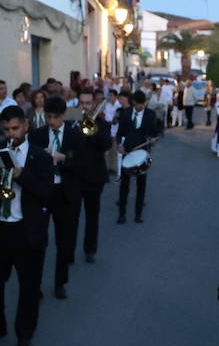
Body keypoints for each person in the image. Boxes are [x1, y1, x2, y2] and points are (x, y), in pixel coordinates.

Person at [0, 106, 55, 346]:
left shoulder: (40, 156)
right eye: (6, 129)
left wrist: (22, 175)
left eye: (15, 128)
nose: (10, 134)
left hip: (26, 230)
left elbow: (48, 195)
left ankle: (25, 333)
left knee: (29, 286)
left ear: (26, 126)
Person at [25, 96, 83, 299]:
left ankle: (60, 282)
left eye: (55, 117)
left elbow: (82, 166)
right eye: (48, 117)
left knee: (64, 242)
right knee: (38, 242)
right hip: (43, 192)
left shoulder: (75, 135)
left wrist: (63, 159)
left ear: (64, 116)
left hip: (64, 193)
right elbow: (29, 162)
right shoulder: (37, 135)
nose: (52, 121)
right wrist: (43, 157)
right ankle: (36, 284)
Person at [65, 89, 114, 264]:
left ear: (94, 104)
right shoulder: (71, 123)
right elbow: (66, 145)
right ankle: (69, 251)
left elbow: (106, 145)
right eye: (82, 103)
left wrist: (92, 132)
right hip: (75, 176)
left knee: (92, 215)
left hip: (95, 177)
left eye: (88, 103)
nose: (85, 107)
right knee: (72, 216)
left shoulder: (102, 123)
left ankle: (90, 250)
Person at [116, 90, 162, 225]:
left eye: (143, 104)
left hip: (142, 152)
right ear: (134, 102)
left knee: (141, 185)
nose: (141, 106)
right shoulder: (126, 113)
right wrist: (120, 145)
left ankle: (138, 214)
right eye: (139, 104)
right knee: (124, 186)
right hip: (128, 152)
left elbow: (156, 131)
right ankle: (122, 214)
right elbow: (120, 133)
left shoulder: (150, 114)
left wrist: (154, 138)